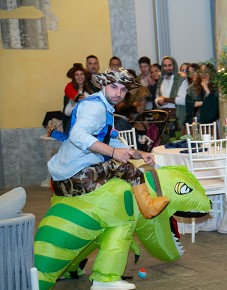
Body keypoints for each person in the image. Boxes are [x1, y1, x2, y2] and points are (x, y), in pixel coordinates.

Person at [48, 68, 169, 232]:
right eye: (114, 87)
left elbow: (111, 141)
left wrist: (138, 153)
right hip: (74, 178)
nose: (118, 93)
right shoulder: (96, 107)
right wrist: (113, 152)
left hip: (63, 177)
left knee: (122, 168)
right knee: (129, 170)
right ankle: (148, 208)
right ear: (103, 85)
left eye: (123, 89)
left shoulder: (104, 108)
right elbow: (77, 135)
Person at [156, 56, 188, 134]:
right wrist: (159, 102)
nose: (167, 68)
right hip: (163, 116)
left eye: (170, 65)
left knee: (179, 139)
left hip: (177, 115)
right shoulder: (161, 80)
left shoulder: (181, 79)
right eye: (165, 65)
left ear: (174, 66)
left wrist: (165, 99)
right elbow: (157, 98)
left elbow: (183, 100)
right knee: (164, 140)